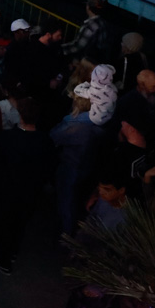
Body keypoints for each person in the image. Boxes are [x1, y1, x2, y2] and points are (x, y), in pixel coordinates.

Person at [0, 98, 54, 275]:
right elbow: (48, 169)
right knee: (20, 224)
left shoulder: (6, 138)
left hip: (6, 192)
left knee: (3, 226)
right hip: (30, 194)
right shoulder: (45, 141)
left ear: (20, 114)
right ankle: (12, 252)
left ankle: (3, 260)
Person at [51, 85, 105, 234]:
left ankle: (67, 238)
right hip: (89, 168)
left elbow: (53, 137)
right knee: (80, 203)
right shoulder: (99, 123)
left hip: (70, 168)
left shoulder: (72, 124)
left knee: (66, 204)